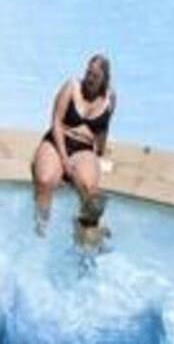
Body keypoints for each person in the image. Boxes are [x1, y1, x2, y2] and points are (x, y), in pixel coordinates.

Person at [31, 54, 115, 234]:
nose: (89, 78)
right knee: (45, 181)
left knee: (90, 190)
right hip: (58, 140)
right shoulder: (71, 86)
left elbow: (103, 129)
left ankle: (84, 231)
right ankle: (41, 225)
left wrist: (99, 155)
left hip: (84, 148)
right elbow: (56, 121)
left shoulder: (110, 98)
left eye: (95, 76)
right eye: (88, 72)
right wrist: (64, 160)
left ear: (104, 79)